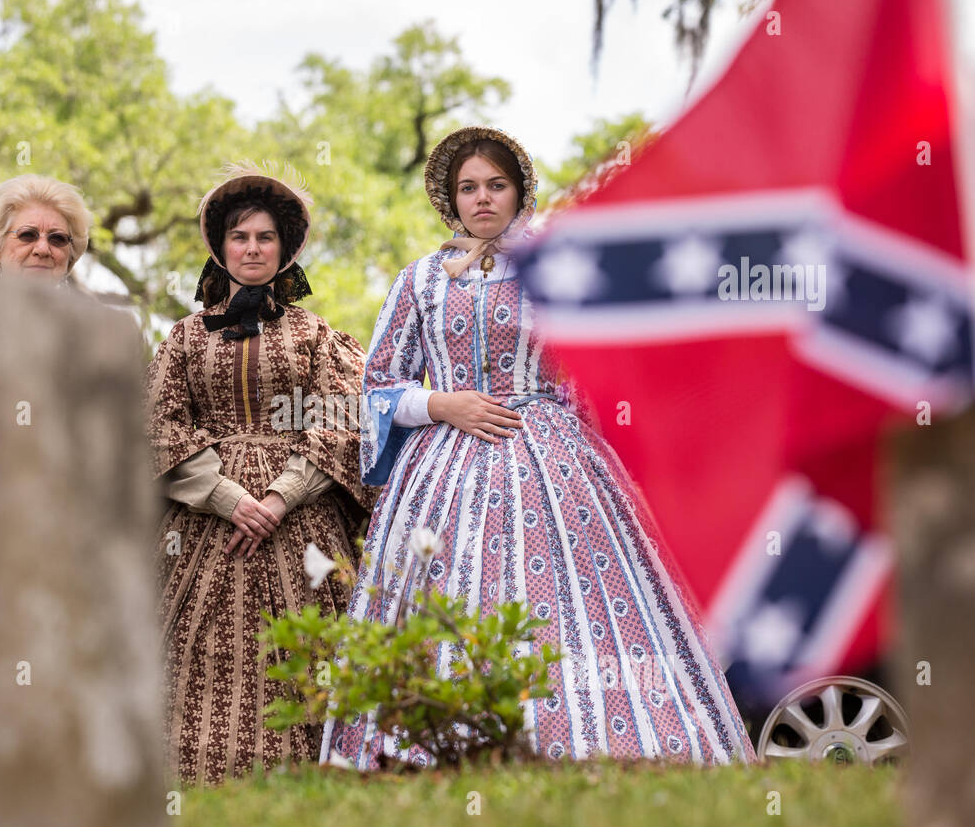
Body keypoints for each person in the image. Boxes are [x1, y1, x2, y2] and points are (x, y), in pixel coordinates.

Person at [322, 127, 757, 769]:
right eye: (468, 188)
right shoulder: (419, 282)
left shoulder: (554, 271)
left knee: (576, 602)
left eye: (496, 185)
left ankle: (596, 745)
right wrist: (444, 403)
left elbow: (599, 375)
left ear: (519, 192)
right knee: (441, 593)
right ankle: (423, 755)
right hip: (443, 468)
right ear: (450, 200)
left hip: (555, 462)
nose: (482, 199)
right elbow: (379, 386)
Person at [145, 161, 377, 786]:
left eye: (265, 237)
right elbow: (155, 426)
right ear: (221, 248)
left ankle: (314, 794)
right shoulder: (185, 339)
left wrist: (278, 497)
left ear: (284, 248)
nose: (252, 248)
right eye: (240, 237)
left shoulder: (318, 337)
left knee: (310, 654)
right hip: (204, 525)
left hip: (302, 527)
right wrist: (224, 496)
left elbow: (342, 422)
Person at [0, 174, 93, 283]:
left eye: (58, 238)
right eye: (27, 235)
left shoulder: (89, 305)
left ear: (70, 256)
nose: (42, 249)